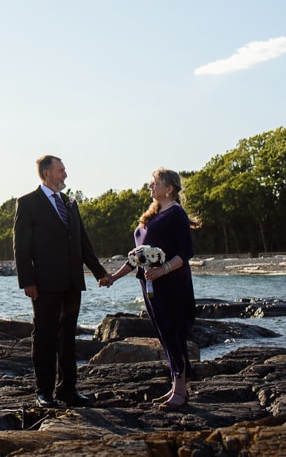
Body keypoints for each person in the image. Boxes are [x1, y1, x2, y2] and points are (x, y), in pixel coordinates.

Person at [13, 154, 110, 409]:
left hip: (72, 283)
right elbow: (21, 247)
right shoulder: (28, 203)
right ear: (47, 173)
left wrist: (100, 273)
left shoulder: (70, 203)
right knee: (44, 337)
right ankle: (44, 392)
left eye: (64, 170)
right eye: (61, 170)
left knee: (68, 338)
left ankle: (68, 390)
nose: (65, 175)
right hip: (43, 284)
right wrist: (27, 281)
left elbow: (82, 242)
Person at [105, 167, 196, 411]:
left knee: (173, 331)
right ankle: (176, 385)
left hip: (172, 282)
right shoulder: (152, 215)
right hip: (150, 283)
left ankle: (181, 390)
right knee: (164, 334)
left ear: (169, 188)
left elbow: (186, 252)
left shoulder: (176, 213)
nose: (149, 186)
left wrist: (163, 269)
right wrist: (113, 277)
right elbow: (137, 257)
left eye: (154, 183)